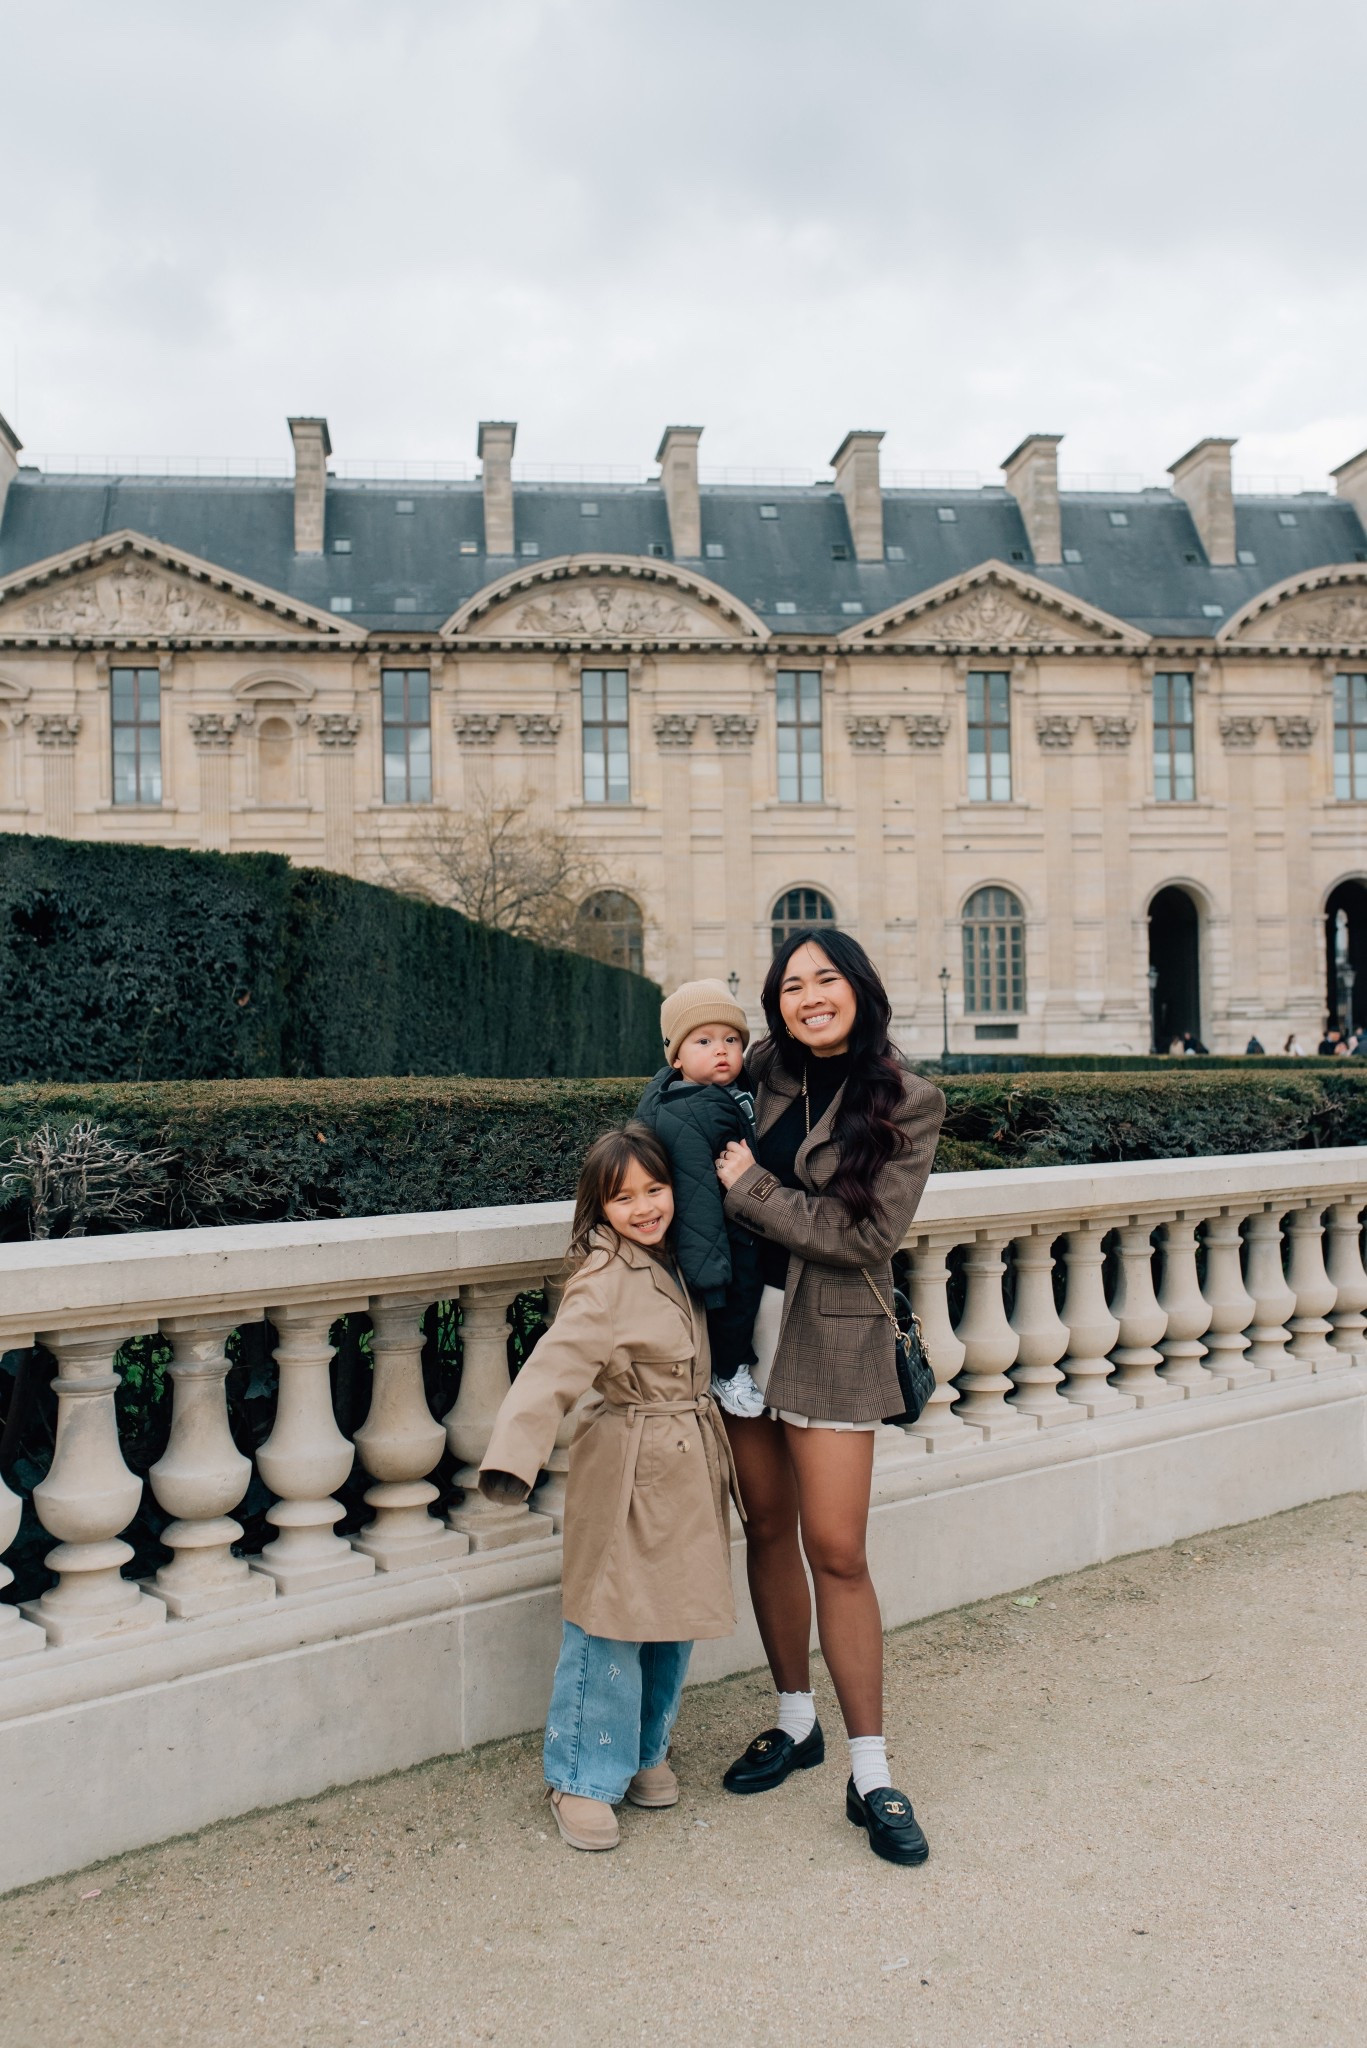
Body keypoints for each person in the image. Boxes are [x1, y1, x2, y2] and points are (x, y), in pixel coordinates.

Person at [714, 928, 945, 1867]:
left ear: (858, 987)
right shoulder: (760, 1070)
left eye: (826, 979)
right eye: (792, 984)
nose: (810, 996)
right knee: (765, 1530)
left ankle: (872, 1768)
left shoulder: (906, 1099)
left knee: (838, 1551)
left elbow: (861, 1238)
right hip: (738, 1330)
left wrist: (748, 1188)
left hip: (832, 1336)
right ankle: (795, 1718)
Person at [478, 1124, 738, 1854]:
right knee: (610, 1621)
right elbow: (551, 1369)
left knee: (673, 1618)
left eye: (654, 1189)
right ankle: (581, 1777)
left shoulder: (678, 1257)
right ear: (599, 1207)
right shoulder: (603, 1277)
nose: (644, 1206)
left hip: (686, 1464)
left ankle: (643, 1752)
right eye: (623, 1197)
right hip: (627, 1462)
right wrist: (513, 1457)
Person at [636, 979, 766, 1419]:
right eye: (705, 1040)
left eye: (732, 1039)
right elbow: (694, 1196)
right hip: (725, 1238)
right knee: (736, 1307)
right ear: (676, 1057)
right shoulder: (689, 1111)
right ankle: (729, 1374)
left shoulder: (724, 1091)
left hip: (739, 1225)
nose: (722, 1050)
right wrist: (710, 1275)